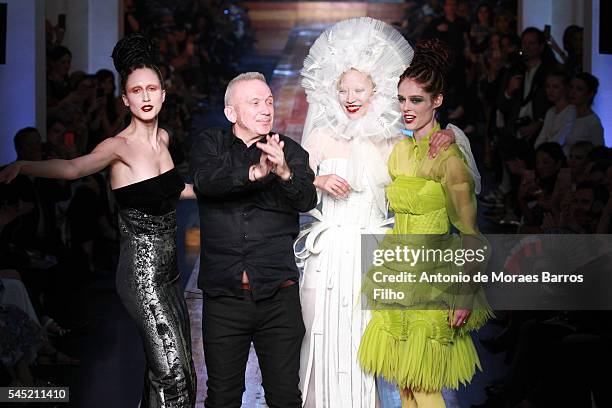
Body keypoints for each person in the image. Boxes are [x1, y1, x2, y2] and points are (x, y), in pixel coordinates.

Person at [0, 34, 197, 407]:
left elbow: (175, 191)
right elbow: (74, 168)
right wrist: (25, 165)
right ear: (125, 99)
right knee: (173, 372)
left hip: (170, 273)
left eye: (151, 88)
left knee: (171, 366)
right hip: (141, 276)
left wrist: (243, 181)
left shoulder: (165, 139)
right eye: (136, 90)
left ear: (163, 93)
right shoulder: (116, 147)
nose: (145, 96)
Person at [296, 17, 479, 408]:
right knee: (396, 371)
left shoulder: (400, 142)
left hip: (395, 260)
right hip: (352, 259)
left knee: (411, 373)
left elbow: (441, 149)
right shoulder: (364, 143)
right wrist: (315, 182)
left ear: (374, 90)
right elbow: (291, 183)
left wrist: (454, 134)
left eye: (358, 89)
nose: (350, 96)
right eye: (343, 89)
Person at [358, 39, 491, 408]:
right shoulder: (400, 152)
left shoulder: (449, 159)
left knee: (425, 384)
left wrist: (465, 293)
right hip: (400, 273)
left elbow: (470, 234)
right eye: (402, 99)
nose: (406, 108)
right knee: (404, 383)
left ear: (437, 101)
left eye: (416, 100)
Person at [189, 72, 317, 408]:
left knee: (285, 397)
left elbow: (306, 199)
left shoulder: (290, 151)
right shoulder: (210, 144)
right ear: (232, 112)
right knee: (222, 397)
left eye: (269, 102)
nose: (266, 109)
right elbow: (206, 181)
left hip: (278, 296)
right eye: (255, 102)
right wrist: (255, 173)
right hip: (224, 298)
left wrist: (284, 172)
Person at [565, 72, 604, 153]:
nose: (573, 92)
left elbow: (598, 153)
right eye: (571, 87)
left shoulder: (593, 122)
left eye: (579, 89)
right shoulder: (567, 113)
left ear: (590, 94)